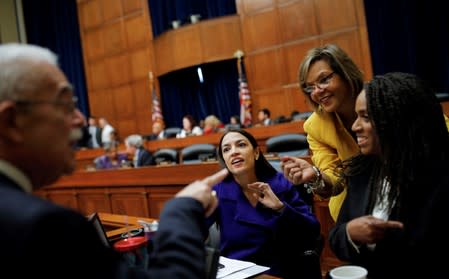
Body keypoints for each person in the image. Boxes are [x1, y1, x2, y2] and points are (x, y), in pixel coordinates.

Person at [0, 43, 229, 278]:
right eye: (65, 104)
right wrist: (181, 209)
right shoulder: (45, 228)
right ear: (11, 122)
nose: (80, 119)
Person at [328, 72, 449, 278]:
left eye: (365, 117)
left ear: (397, 119)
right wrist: (351, 233)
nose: (355, 126)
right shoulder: (362, 171)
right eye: (357, 116)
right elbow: (336, 235)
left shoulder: (440, 177)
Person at [206, 128, 321, 278]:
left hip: (281, 272)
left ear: (256, 153)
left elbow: (312, 230)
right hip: (235, 275)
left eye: (241, 145)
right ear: (224, 160)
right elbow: (192, 229)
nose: (233, 152)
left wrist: (281, 208)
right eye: (226, 149)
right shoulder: (218, 192)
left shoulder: (282, 184)